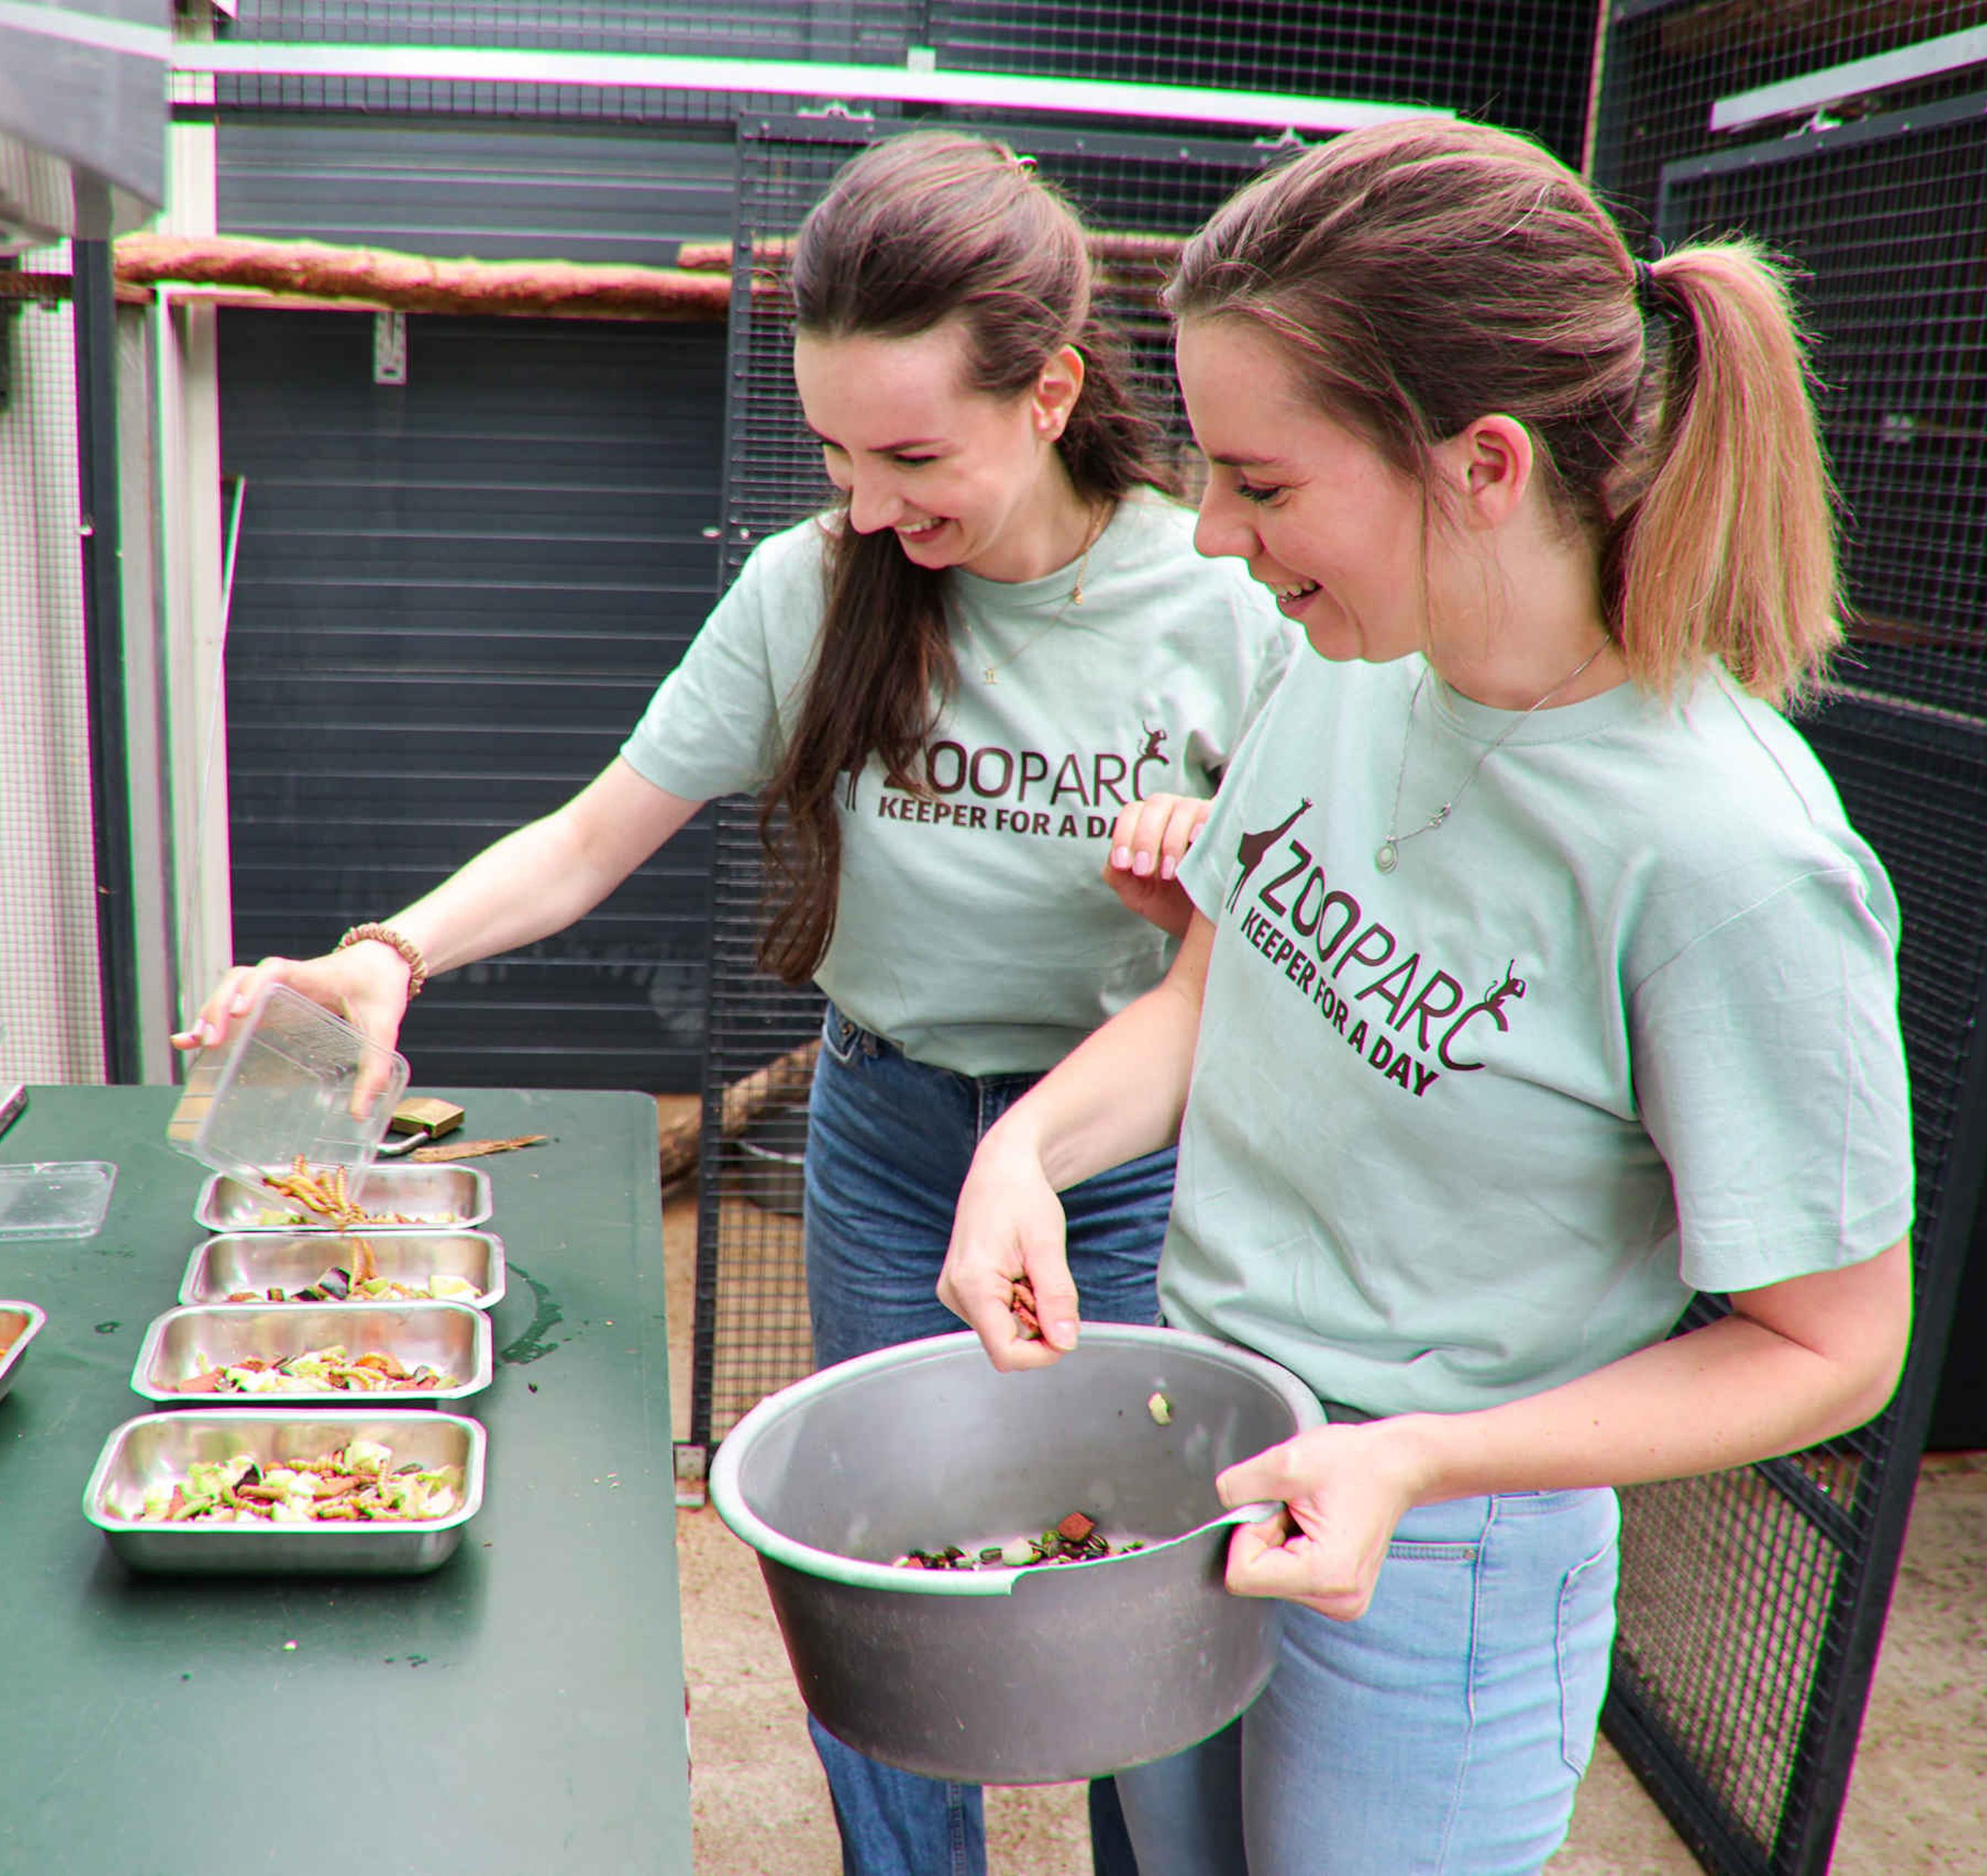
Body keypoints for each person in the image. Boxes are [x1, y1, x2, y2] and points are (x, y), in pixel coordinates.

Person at [178, 130, 1297, 1876]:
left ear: (1054, 391)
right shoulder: (812, 585)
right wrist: (386, 951)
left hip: (1130, 1146)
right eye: (838, 451)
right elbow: (588, 836)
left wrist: (1219, 865)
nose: (865, 505)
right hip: (890, 1123)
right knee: (879, 1570)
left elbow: (1304, 916)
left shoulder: (1233, 598)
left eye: (912, 453)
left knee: (1130, 1576)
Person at [935, 118, 1917, 1876]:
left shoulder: (1725, 853)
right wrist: (1032, 1147)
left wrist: (1422, 1457)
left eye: (1265, 481)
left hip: (1440, 1548)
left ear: (1479, 465)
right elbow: (1222, 981)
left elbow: (1832, 1344)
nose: (1217, 535)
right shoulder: (1348, 664)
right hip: (1196, 1444)